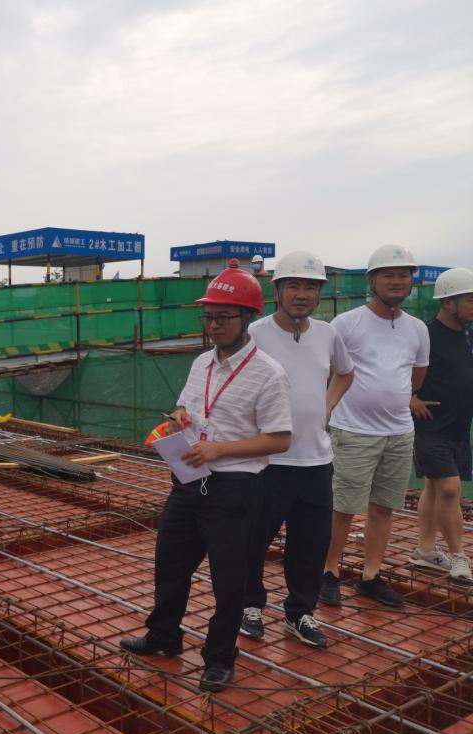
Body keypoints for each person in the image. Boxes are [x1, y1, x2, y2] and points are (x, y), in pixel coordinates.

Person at [120, 267, 292, 692]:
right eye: (208, 317)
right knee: (170, 564)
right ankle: (164, 635)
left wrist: (220, 449)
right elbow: (188, 407)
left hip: (235, 488)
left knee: (228, 580)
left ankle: (219, 658)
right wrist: (179, 417)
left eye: (223, 317)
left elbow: (280, 439)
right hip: (188, 479)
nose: (213, 325)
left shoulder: (269, 373)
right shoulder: (202, 363)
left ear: (247, 318)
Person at [241, 252, 354, 648]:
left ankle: (300, 613)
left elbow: (345, 372)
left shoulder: (327, 334)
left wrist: (327, 405)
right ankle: (249, 605)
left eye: (310, 287)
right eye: (294, 285)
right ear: (277, 291)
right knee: (252, 539)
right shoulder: (254, 334)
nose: (302, 294)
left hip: (316, 461)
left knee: (310, 544)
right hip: (266, 461)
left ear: (319, 293)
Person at [320, 245, 430, 608]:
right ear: (372, 280)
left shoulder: (417, 329)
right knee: (343, 507)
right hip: (353, 431)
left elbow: (416, 377)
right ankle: (328, 572)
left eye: (403, 275)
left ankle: (370, 576)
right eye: (388, 275)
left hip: (399, 432)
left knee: (383, 507)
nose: (397, 281)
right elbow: (329, 372)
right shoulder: (347, 324)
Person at [409, 267, 473, 583]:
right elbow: (397, 369)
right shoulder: (425, 335)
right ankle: (460, 556)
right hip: (430, 427)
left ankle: (424, 550)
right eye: (470, 300)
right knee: (449, 489)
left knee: (435, 487)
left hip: (458, 429)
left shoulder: (468, 335)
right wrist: (410, 398)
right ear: (448, 302)